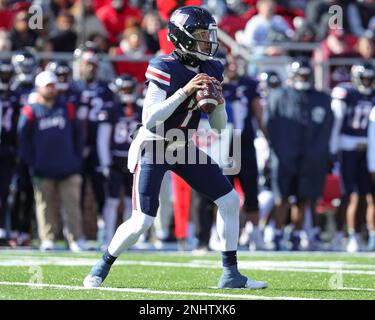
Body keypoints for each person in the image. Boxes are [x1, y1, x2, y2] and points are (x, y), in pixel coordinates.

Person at [83, 6, 267, 290]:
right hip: (155, 145)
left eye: (209, 34)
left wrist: (218, 102)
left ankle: (230, 274)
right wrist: (185, 91)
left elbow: (219, 127)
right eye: (201, 34)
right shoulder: (164, 66)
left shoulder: (211, 67)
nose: (208, 40)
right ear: (182, 37)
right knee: (142, 220)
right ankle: (102, 265)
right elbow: (150, 118)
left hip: (183, 146)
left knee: (230, 201)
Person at [265, 58, 333, 251]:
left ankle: (295, 234)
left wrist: (317, 152)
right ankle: (277, 234)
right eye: (300, 74)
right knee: (282, 197)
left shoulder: (321, 98)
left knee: (304, 197)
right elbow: (269, 125)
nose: (303, 78)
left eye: (305, 74)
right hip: (284, 153)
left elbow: (327, 127)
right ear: (292, 75)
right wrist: (280, 150)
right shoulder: (278, 96)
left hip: (310, 155)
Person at [18, 71, 86, 251]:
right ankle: (48, 238)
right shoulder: (30, 110)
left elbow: (79, 135)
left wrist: (76, 158)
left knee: (72, 205)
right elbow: (22, 139)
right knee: (45, 206)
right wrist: (33, 162)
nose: (51, 89)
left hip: (69, 167)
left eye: (53, 85)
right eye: (47, 86)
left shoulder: (67, 107)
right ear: (39, 88)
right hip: (42, 168)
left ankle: (76, 238)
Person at [330, 63, 375, 252]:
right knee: (351, 195)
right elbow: (336, 122)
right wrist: (332, 150)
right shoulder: (345, 93)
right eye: (363, 78)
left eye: (369, 79)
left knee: (368, 196)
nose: (367, 82)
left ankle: (365, 234)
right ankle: (348, 234)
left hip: (369, 151)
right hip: (347, 150)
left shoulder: (371, 95)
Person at [98, 74, 142, 247]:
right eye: (123, 89)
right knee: (112, 200)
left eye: (129, 89)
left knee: (131, 203)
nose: (126, 92)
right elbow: (103, 138)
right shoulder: (111, 109)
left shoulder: (140, 109)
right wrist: (105, 162)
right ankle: (108, 236)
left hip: (134, 160)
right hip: (116, 159)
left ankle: (128, 240)